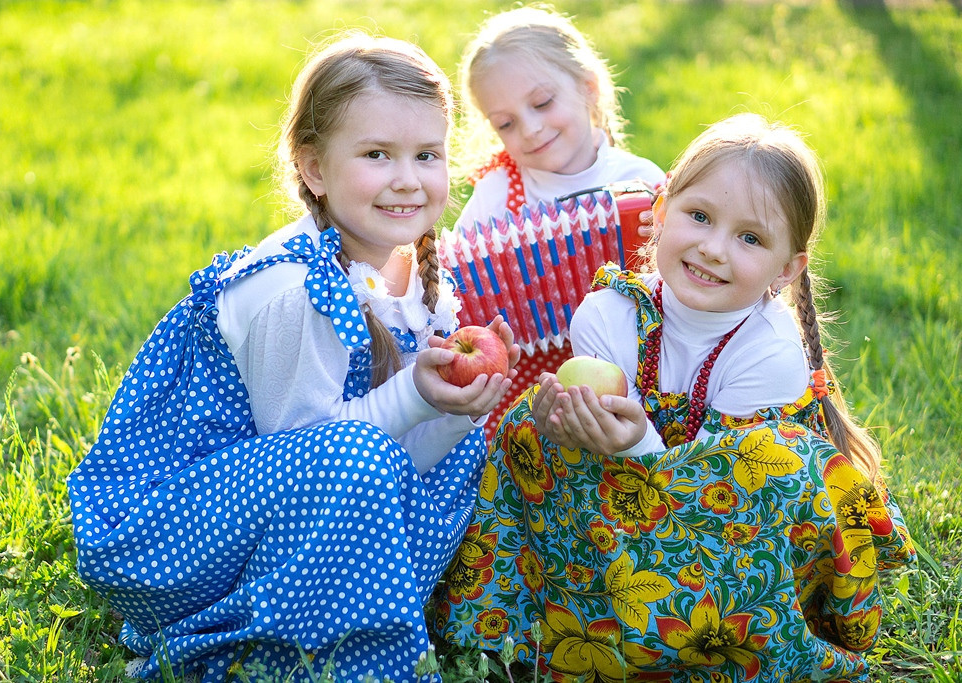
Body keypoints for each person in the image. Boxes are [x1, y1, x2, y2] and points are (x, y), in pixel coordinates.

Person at [67, 33, 521, 683]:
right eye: (376, 154)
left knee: (467, 442)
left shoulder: (415, 275)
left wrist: (452, 409)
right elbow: (314, 459)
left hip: (272, 511)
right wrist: (415, 395)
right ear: (313, 169)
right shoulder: (292, 288)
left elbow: (392, 459)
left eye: (427, 154)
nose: (407, 178)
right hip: (169, 532)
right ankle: (256, 644)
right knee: (356, 456)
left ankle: (346, 629)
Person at [435, 113, 916, 680]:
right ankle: (560, 616)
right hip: (619, 514)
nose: (713, 248)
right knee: (526, 426)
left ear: (786, 270)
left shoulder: (769, 350)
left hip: (729, 534)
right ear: (660, 214)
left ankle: (707, 642)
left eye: (750, 238)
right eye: (699, 216)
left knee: (778, 461)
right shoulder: (608, 314)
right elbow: (602, 465)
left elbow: (713, 498)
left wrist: (638, 441)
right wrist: (566, 427)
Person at [448, 5, 667, 439]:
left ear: (588, 88)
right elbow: (459, 286)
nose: (530, 129)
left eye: (543, 103)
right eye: (506, 123)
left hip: (632, 369)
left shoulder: (640, 181)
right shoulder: (497, 192)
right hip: (531, 385)